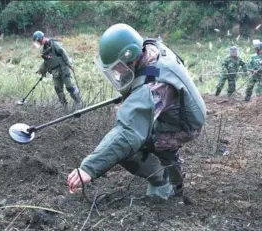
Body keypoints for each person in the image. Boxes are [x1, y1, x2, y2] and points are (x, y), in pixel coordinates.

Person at [67, 24, 207, 200]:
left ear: (130, 57)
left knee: (128, 148)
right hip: (177, 114)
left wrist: (88, 168)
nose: (117, 71)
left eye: (118, 66)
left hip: (182, 125)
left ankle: (163, 183)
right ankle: (174, 178)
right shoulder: (150, 49)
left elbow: (128, 133)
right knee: (149, 139)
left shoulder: (153, 85)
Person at [33, 31, 81, 108]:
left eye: (39, 41)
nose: (39, 42)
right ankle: (64, 107)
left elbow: (63, 53)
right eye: (38, 41)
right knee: (58, 89)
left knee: (69, 87)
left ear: (42, 38)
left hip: (63, 69)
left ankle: (79, 103)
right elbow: (46, 62)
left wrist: (69, 64)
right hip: (55, 71)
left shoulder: (53, 44)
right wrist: (41, 70)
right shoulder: (45, 49)